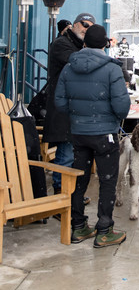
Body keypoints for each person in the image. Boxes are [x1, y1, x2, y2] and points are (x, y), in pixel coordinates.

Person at [54, 24, 130, 248]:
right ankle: (104, 230)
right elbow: (122, 107)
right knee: (107, 181)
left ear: (85, 43)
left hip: (78, 133)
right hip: (104, 134)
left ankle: (78, 227)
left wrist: (79, 115)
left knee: (80, 178)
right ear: (105, 44)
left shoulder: (69, 67)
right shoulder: (112, 69)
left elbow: (59, 102)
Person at [43, 12, 95, 195]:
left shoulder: (80, 45)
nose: (86, 28)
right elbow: (77, 63)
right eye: (83, 24)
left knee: (74, 154)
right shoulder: (61, 44)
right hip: (62, 108)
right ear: (74, 24)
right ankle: (60, 196)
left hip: (75, 108)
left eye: (90, 26)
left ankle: (70, 194)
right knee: (65, 153)